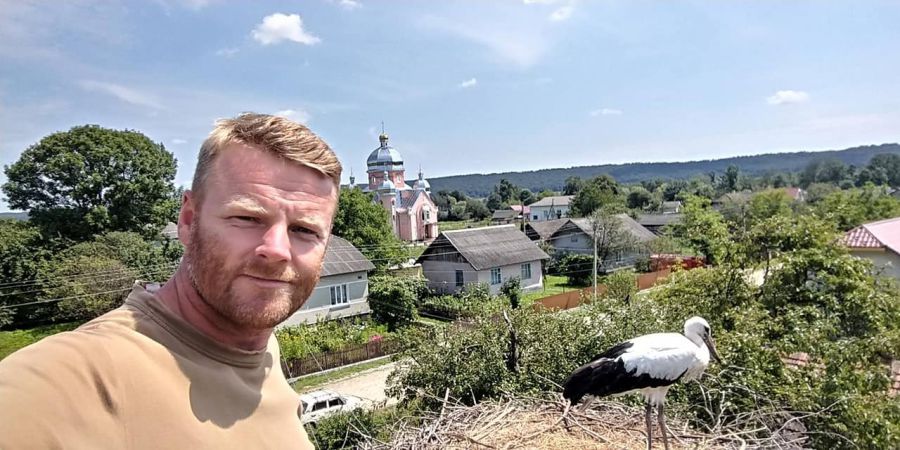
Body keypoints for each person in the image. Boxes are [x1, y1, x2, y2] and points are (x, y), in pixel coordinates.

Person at [0, 113, 342, 449]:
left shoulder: (262, 351)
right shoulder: (74, 378)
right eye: (247, 217)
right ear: (188, 220)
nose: (277, 250)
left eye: (304, 230)